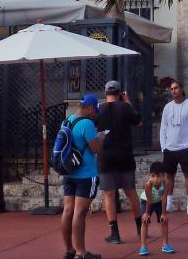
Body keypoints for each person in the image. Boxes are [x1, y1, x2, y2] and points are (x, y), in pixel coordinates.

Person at [61, 94, 108, 259]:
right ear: (89, 107)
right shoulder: (87, 124)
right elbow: (96, 149)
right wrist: (100, 137)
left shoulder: (66, 121)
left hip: (69, 172)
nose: (95, 113)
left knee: (68, 210)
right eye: (95, 110)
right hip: (85, 173)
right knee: (79, 213)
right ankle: (81, 252)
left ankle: (69, 249)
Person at [97, 80, 143, 244]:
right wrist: (128, 101)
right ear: (119, 93)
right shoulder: (125, 108)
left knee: (108, 194)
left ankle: (114, 232)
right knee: (131, 192)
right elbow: (138, 122)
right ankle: (140, 227)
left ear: (105, 93)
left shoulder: (99, 109)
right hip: (124, 155)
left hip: (106, 156)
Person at [158, 79, 188, 214]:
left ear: (181, 89)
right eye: (171, 89)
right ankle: (169, 202)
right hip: (170, 147)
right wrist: (163, 146)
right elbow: (163, 126)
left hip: (185, 147)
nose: (173, 91)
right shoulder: (167, 107)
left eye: (176, 88)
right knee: (168, 176)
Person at [138, 161, 175, 255]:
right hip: (146, 202)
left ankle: (165, 245)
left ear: (163, 176)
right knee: (145, 221)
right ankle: (143, 246)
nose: (155, 179)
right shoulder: (148, 184)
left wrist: (164, 213)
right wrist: (146, 213)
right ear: (150, 175)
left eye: (158, 176)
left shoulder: (166, 183)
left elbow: (164, 198)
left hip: (158, 201)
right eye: (153, 176)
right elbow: (149, 200)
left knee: (164, 221)